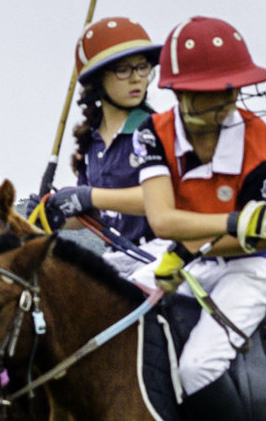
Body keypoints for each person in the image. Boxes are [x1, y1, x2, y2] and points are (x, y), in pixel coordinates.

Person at [144, 15, 266, 421]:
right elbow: (161, 218)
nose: (227, 101)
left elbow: (252, 244)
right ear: (180, 95)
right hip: (185, 258)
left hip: (246, 270)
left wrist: (248, 231)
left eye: (232, 89)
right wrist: (229, 224)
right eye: (212, 93)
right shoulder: (152, 133)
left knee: (198, 366)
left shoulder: (258, 138)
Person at [32, 16, 171, 282]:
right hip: (117, 254)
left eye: (142, 68)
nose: (136, 79)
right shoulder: (92, 142)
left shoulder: (156, 130)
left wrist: (89, 196)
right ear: (97, 80)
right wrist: (53, 213)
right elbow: (92, 215)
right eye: (123, 70)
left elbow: (160, 201)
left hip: (162, 251)